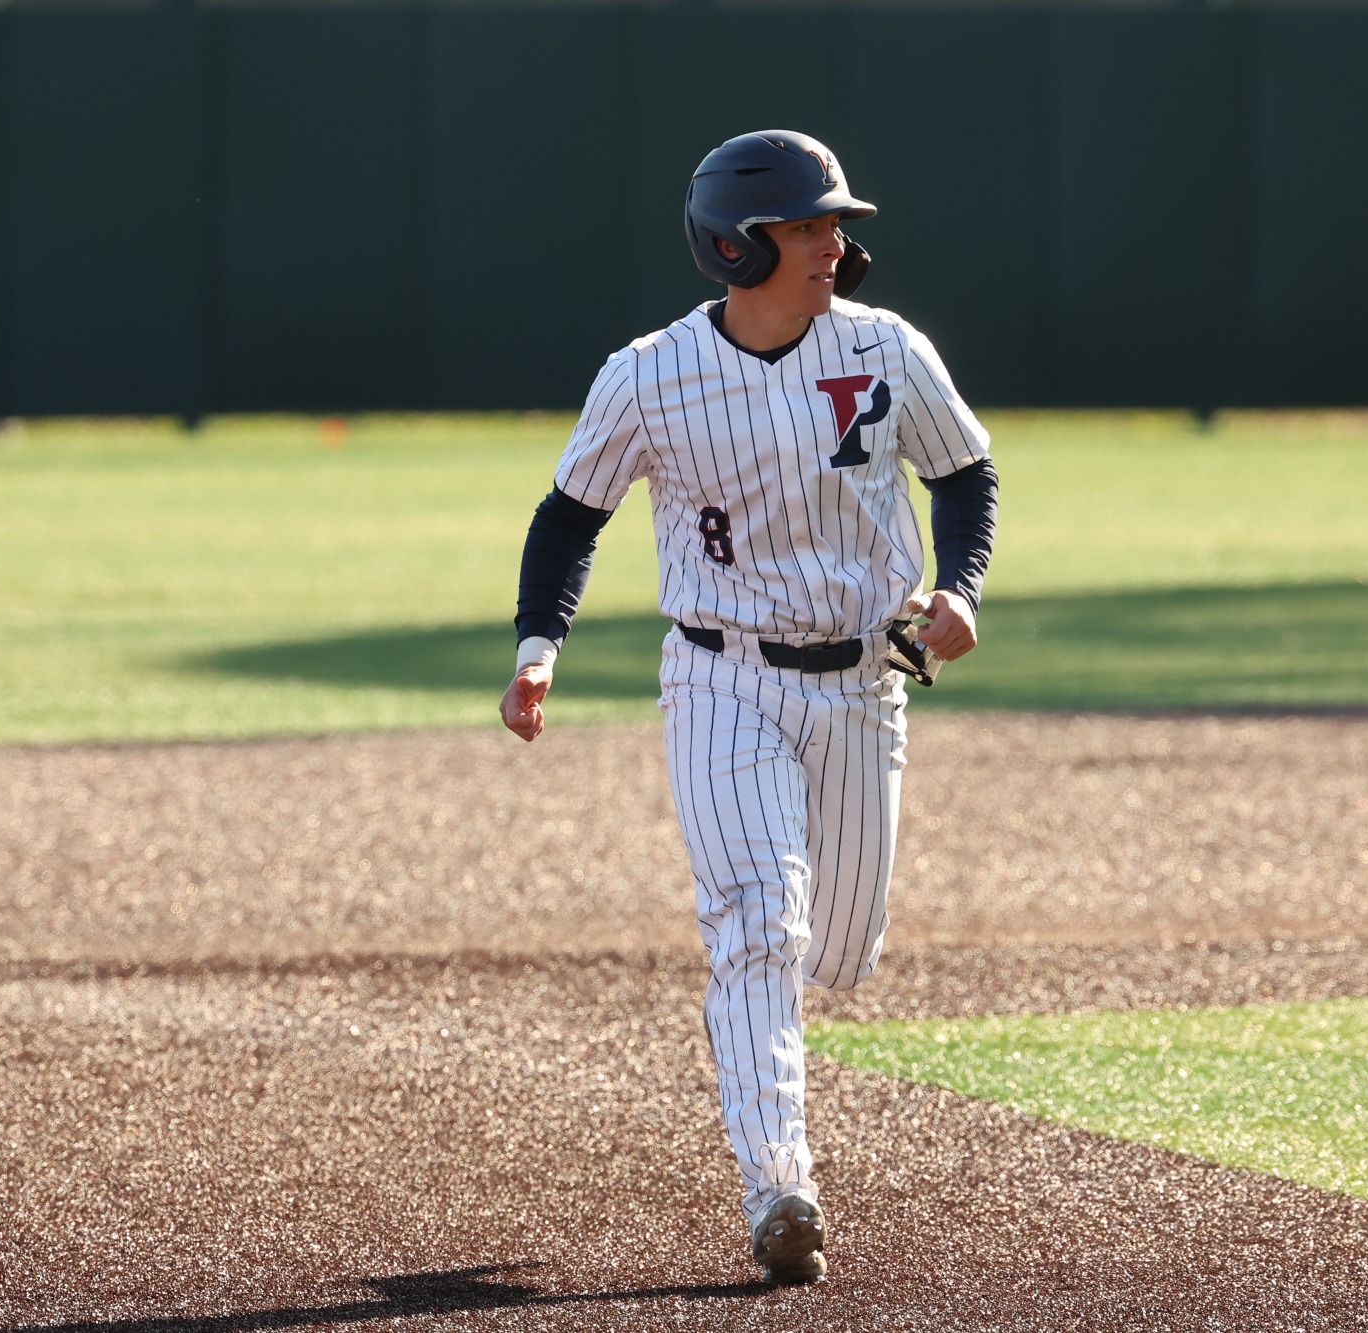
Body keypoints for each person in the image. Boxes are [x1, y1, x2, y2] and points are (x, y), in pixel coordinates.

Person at [499, 129, 997, 1285]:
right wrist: (538, 649)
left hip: (866, 683)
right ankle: (779, 1185)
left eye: (836, 224)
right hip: (720, 678)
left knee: (838, 950)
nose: (836, 240)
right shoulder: (647, 374)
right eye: (812, 223)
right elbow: (570, 516)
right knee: (755, 925)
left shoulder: (883, 349)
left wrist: (960, 591)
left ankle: (784, 1083)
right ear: (737, 245)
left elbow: (962, 472)